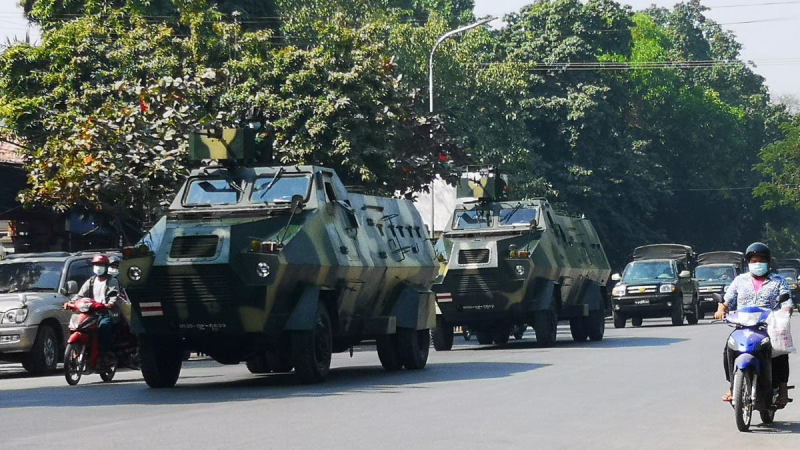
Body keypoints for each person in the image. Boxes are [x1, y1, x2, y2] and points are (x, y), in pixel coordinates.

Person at [714, 242, 794, 408]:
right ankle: (733, 386)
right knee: (729, 349)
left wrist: (786, 311)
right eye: (754, 261)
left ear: (768, 262)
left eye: (761, 261)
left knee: (779, 352)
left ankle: (782, 389)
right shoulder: (740, 281)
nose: (757, 264)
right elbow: (726, 301)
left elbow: (787, 302)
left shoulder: (777, 281)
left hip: (768, 326)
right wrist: (721, 309)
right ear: (748, 262)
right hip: (743, 326)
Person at [77, 254, 121, 364]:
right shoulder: (91, 281)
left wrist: (109, 304)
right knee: (78, 326)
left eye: (101, 265)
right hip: (91, 312)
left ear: (106, 267)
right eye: (96, 264)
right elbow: (80, 295)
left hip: (106, 313)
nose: (98, 267)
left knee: (104, 327)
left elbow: (114, 295)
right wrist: (71, 303)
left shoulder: (112, 281)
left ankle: (106, 353)